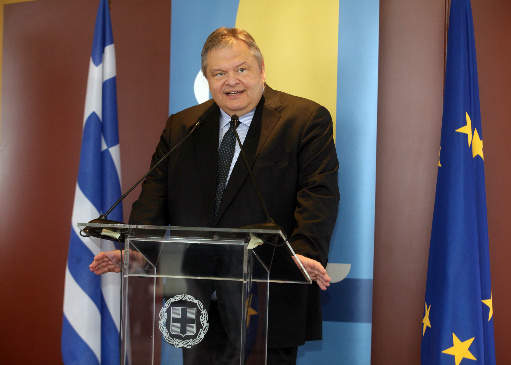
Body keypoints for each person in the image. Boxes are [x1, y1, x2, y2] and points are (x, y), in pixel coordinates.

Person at [90, 27, 339, 365]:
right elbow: (154, 197)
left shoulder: (305, 120)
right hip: (196, 297)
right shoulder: (183, 126)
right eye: (219, 73)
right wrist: (139, 251)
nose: (231, 81)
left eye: (241, 69)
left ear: (262, 71)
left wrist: (306, 251)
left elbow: (318, 194)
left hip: (267, 295)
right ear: (206, 78)